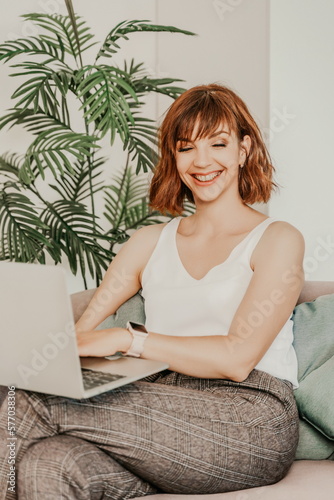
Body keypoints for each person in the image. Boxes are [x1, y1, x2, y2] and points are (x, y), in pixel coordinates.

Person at [0, 84, 305, 499]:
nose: (202, 161)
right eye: (186, 147)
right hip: (162, 409)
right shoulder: (148, 242)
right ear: (173, 156)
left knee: (30, 402)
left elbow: (237, 358)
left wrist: (131, 339)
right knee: (48, 463)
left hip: (250, 416)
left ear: (243, 149)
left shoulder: (277, 239)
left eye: (218, 143)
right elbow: (79, 337)